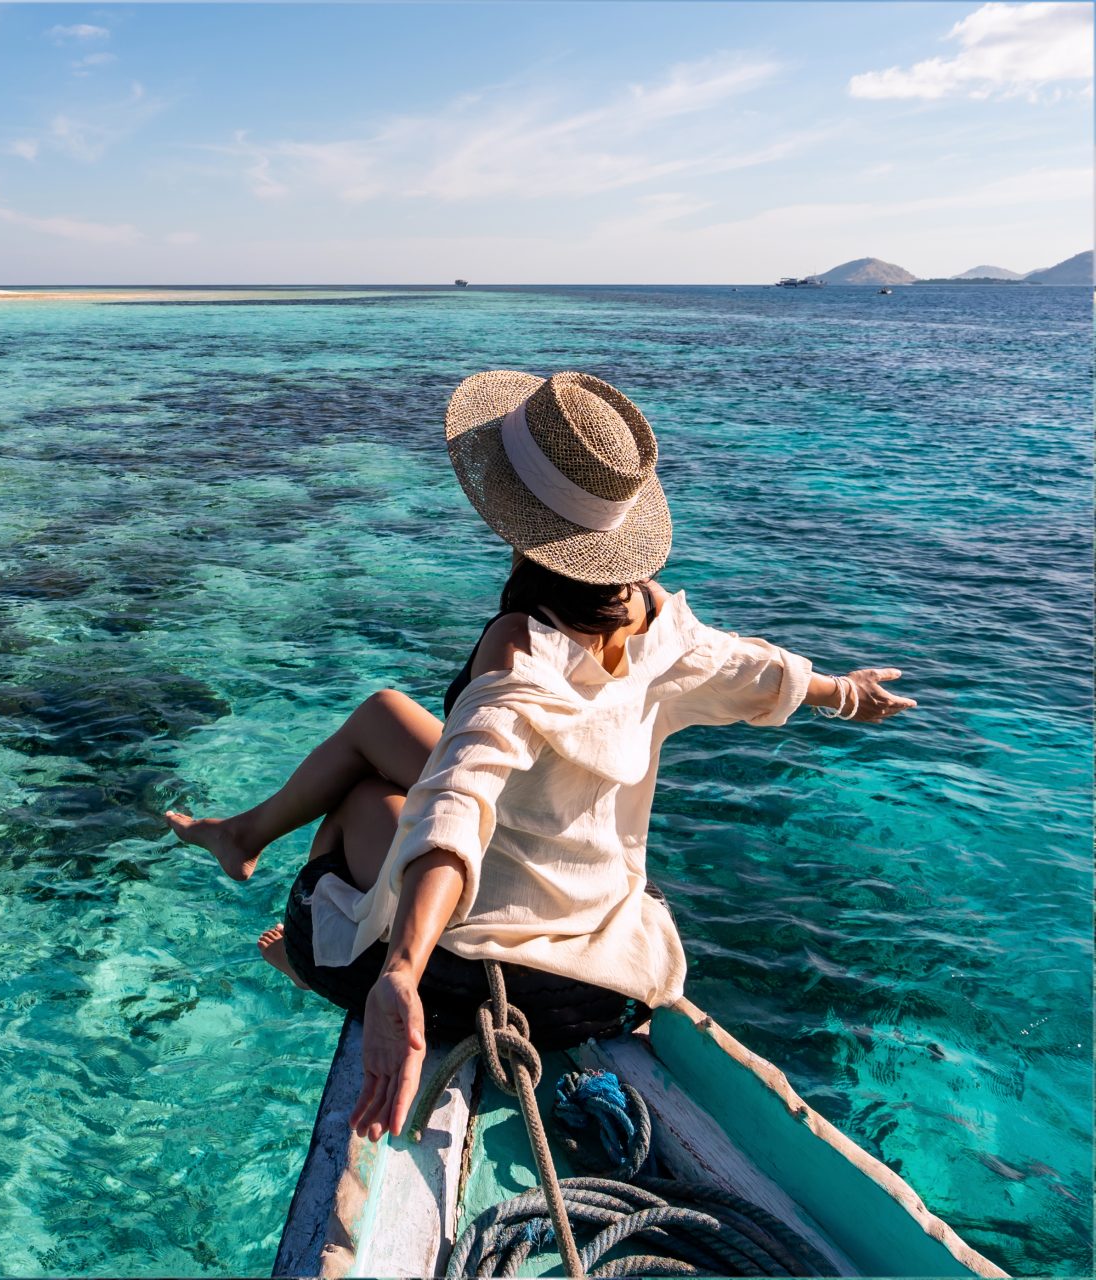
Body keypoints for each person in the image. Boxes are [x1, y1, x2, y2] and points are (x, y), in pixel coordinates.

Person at [166, 370, 916, 1145]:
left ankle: (328, 962)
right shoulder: (651, 616)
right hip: (606, 954)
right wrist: (842, 692)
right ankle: (243, 835)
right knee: (386, 715)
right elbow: (746, 667)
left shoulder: (519, 648)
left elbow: (459, 799)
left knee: (361, 806)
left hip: (503, 979)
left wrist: (399, 971)